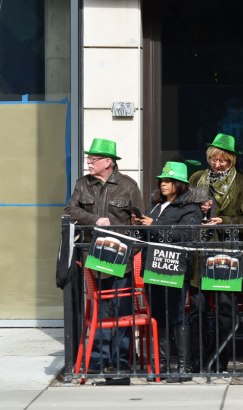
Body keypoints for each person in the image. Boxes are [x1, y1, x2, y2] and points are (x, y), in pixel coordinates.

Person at [65, 138, 145, 385]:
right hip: (93, 258)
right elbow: (71, 210)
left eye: (94, 158)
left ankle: (121, 364)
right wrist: (94, 220)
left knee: (121, 313)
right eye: (89, 158)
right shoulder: (82, 185)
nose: (89, 161)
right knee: (100, 311)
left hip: (121, 259)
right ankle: (99, 361)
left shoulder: (128, 186)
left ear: (108, 162)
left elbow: (139, 223)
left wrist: (127, 250)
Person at [188, 133, 243, 372]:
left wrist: (223, 220)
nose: (218, 164)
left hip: (226, 253)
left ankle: (218, 360)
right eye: (215, 159)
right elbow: (185, 211)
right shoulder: (197, 178)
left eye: (223, 161)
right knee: (198, 308)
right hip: (199, 252)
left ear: (232, 161)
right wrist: (198, 211)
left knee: (225, 309)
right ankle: (197, 361)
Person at [133, 161, 206, 382]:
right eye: (162, 180)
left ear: (180, 184)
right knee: (157, 315)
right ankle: (162, 365)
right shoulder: (156, 205)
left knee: (176, 315)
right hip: (152, 266)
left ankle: (182, 366)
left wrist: (154, 225)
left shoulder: (190, 208)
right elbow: (148, 233)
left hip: (175, 267)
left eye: (168, 181)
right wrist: (139, 224)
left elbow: (187, 235)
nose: (163, 184)